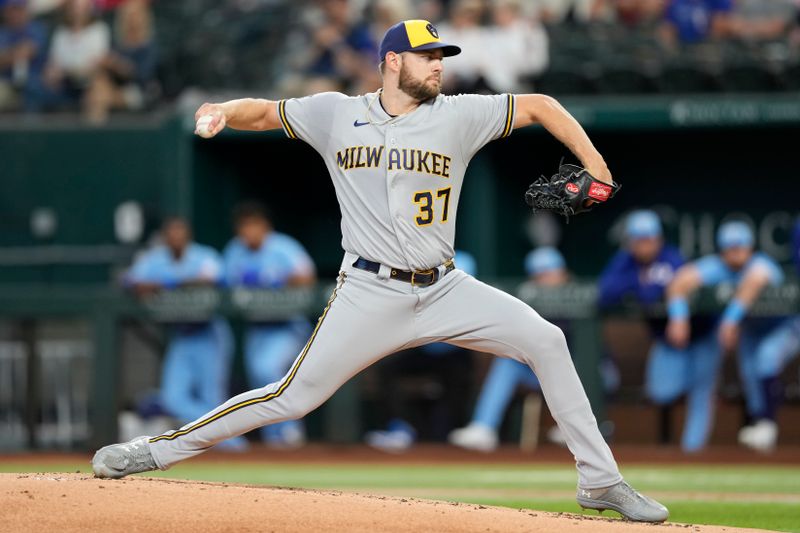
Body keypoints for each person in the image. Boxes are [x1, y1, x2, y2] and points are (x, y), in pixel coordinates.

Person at [93, 19, 668, 523]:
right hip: (368, 289)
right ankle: (155, 450)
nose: (439, 67)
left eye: (443, 58)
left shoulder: (462, 115)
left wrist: (596, 165)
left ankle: (600, 482)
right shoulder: (336, 114)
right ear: (393, 61)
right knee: (291, 398)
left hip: (444, 287)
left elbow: (541, 105)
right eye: (429, 57)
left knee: (547, 339)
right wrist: (222, 110)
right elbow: (265, 112)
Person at [597, 210, 716, 452]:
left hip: (702, 333)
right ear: (630, 242)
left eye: (649, 239)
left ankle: (692, 455)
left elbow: (658, 291)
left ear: (659, 239)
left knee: (701, 393)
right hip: (669, 340)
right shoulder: (625, 262)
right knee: (661, 392)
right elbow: (605, 293)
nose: (645, 245)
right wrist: (637, 281)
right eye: (639, 240)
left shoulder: (672, 258)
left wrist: (643, 285)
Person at [125, 217, 247, 452]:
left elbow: (215, 279)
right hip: (182, 336)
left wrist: (166, 283)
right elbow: (130, 281)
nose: (176, 238)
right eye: (171, 234)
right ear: (165, 238)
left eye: (180, 233)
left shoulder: (204, 255)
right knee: (173, 399)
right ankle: (227, 438)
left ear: (188, 236)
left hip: (210, 333)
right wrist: (164, 283)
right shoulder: (155, 259)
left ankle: (232, 445)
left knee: (212, 398)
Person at [665, 221, 784, 452]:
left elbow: (755, 281)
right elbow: (680, 281)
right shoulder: (718, 267)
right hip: (750, 329)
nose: (736, 252)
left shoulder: (760, 264)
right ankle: (761, 426)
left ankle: (767, 427)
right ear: (722, 249)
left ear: (750, 247)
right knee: (750, 373)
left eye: (740, 247)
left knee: (766, 359)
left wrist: (730, 320)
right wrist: (678, 316)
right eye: (730, 248)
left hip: (782, 325)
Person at [448, 247, 569, 452]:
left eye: (549, 273)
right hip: (538, 370)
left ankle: (572, 428)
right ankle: (483, 428)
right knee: (508, 362)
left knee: (573, 364)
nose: (545, 280)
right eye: (539, 275)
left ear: (562, 273)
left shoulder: (578, 294)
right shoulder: (530, 302)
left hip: (580, 370)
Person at [223, 202, 316, 448]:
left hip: (287, 326)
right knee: (260, 382)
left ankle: (290, 433)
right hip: (257, 328)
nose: (248, 232)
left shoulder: (283, 246)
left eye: (252, 226)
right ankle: (275, 441)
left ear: (264, 226)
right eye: (244, 227)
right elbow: (224, 286)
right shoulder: (235, 251)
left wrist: (275, 279)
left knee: (268, 370)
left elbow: (307, 277)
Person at [364, 250, 477, 453]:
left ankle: (445, 439)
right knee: (386, 368)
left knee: (457, 376)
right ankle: (400, 429)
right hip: (425, 348)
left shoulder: (464, 261)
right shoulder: (423, 259)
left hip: (455, 350)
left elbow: (455, 292)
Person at [740, 218, 800, 451]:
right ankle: (765, 423)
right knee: (759, 363)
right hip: (783, 323)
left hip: (787, 323)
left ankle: (765, 423)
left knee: (765, 357)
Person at [84, 0, 158, 124]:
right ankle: (95, 126)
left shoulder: (148, 47)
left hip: (141, 92)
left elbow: (145, 75)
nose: (132, 21)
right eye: (129, 17)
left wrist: (120, 66)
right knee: (98, 86)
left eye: (135, 16)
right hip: (117, 88)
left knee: (102, 97)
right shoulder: (119, 45)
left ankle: (94, 130)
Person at [0, 0, 47, 111]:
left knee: (32, 90)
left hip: (36, 82)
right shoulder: (2, 32)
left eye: (19, 9)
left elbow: (28, 51)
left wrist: (7, 54)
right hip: (7, 82)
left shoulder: (37, 29)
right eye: (12, 10)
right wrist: (16, 52)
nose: (16, 14)